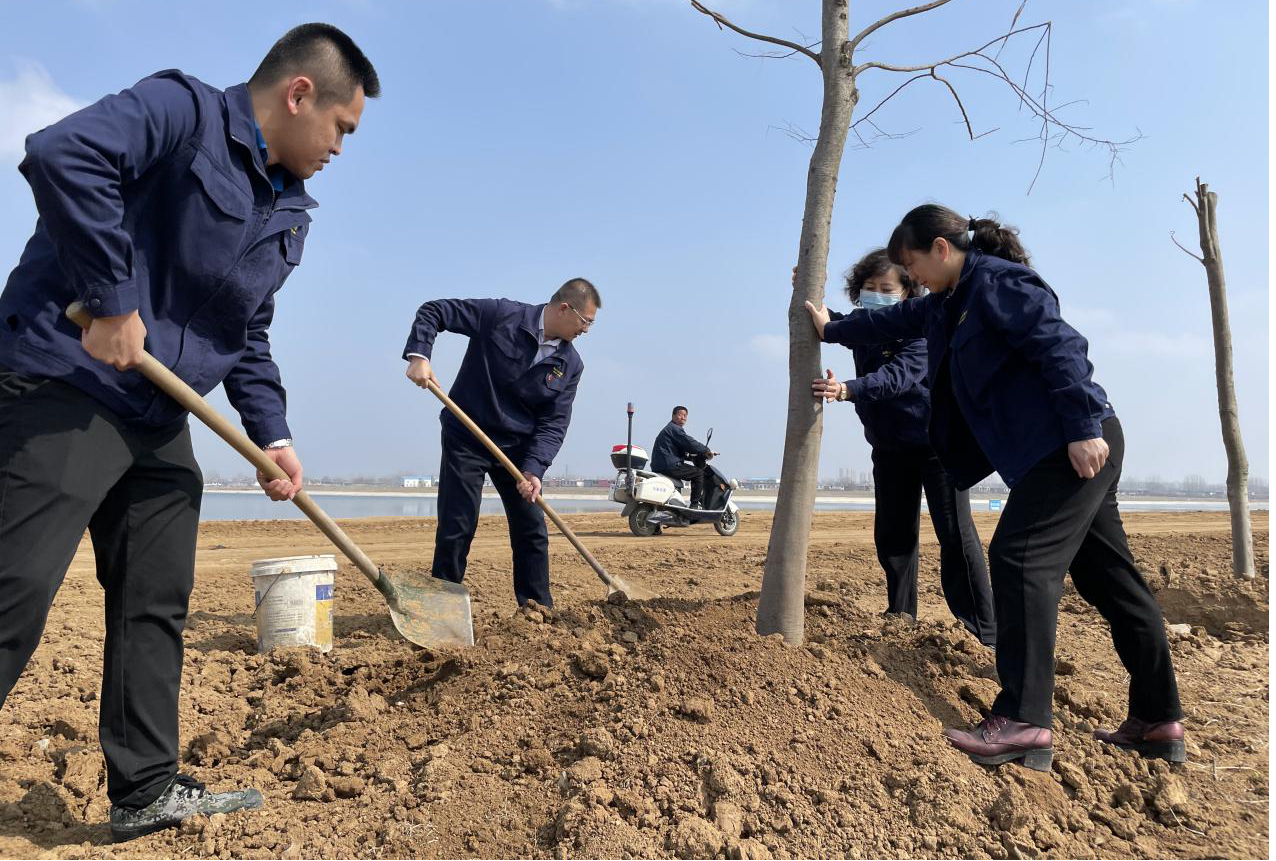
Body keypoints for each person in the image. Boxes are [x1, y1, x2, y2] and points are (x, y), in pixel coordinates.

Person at [0, 23, 379, 838]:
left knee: (155, 596)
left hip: (156, 415)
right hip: (65, 380)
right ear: (299, 94)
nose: (341, 149)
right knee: (14, 590)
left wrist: (273, 435)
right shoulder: (182, 112)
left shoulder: (287, 209)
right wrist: (111, 298)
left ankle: (144, 787)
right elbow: (63, 153)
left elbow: (245, 330)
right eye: (343, 129)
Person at [805, 204, 1183, 771]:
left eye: (912, 266)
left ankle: (1025, 720)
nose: (911, 283)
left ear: (940, 248)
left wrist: (1081, 427)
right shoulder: (947, 305)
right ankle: (1158, 719)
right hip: (1056, 449)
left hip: (1072, 442)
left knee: (1018, 558)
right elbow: (887, 323)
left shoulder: (998, 282)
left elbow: (1062, 346)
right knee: (1109, 579)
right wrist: (831, 326)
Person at [814, 249, 996, 647]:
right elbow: (832, 323)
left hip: (937, 446)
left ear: (906, 292)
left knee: (955, 535)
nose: (877, 295)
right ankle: (900, 615)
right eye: (870, 289)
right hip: (889, 447)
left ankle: (984, 630)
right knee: (893, 535)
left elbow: (896, 378)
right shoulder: (862, 325)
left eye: (887, 289)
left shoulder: (920, 328)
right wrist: (805, 289)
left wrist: (846, 389)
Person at [403, 279, 599, 608]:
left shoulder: (570, 365)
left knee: (532, 528)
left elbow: (554, 422)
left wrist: (534, 470)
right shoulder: (501, 315)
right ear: (565, 308)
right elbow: (434, 311)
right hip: (467, 435)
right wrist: (419, 355)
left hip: (518, 449)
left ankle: (537, 610)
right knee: (458, 523)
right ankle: (441, 605)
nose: (587, 330)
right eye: (586, 321)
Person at [651, 406, 716, 508]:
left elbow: (681, 449)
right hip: (669, 464)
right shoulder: (674, 429)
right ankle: (694, 505)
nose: (683, 417)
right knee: (698, 474)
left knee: (693, 472)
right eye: (680, 414)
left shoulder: (670, 430)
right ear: (673, 416)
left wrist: (692, 456)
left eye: (685, 416)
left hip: (662, 464)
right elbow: (689, 443)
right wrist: (706, 450)